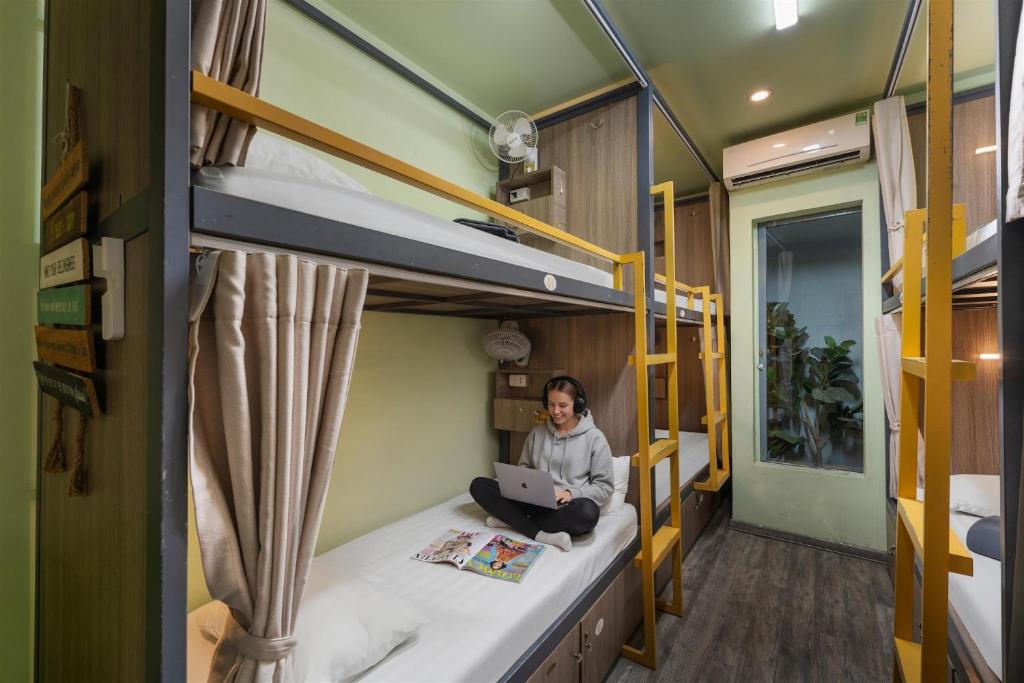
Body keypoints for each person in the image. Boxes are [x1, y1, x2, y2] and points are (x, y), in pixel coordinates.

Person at [470, 376, 613, 552]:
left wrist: (570, 493)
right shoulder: (537, 433)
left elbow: (604, 487)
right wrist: (527, 486)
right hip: (533, 500)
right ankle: (540, 532)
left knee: (588, 514)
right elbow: (524, 467)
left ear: (577, 404)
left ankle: (511, 519)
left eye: (562, 405)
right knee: (479, 485)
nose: (555, 411)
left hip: (565, 508)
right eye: (551, 404)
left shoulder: (595, 438)